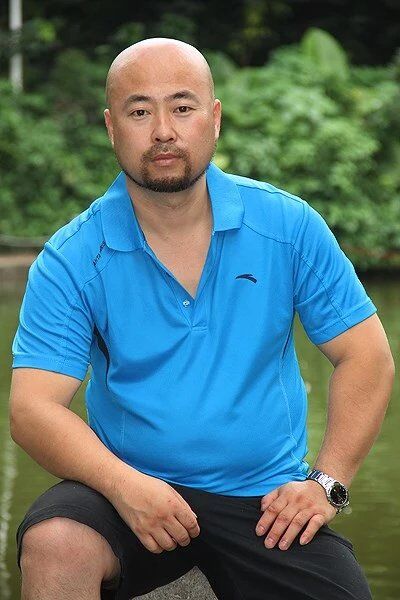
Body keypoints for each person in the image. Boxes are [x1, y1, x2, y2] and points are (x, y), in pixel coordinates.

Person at [9, 38, 394, 600]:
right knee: (54, 542)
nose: (163, 131)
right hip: (130, 494)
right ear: (111, 127)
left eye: (182, 107)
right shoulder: (73, 257)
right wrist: (124, 486)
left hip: (266, 500)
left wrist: (327, 482)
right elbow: (32, 409)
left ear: (214, 119)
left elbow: (367, 356)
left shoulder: (286, 226)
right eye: (139, 112)